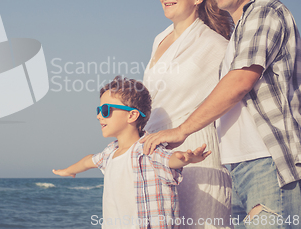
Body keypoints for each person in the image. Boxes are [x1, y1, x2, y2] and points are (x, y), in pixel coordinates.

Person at [142, 0, 301, 229]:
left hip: (267, 160)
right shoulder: (239, 31)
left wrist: (181, 130)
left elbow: (239, 82)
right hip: (243, 164)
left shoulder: (264, 11)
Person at [143, 0, 234, 228]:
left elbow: (233, 94)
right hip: (156, 154)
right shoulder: (159, 39)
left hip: (198, 155)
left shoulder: (216, 45)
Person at [53, 76, 211, 229]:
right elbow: (89, 161)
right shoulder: (109, 153)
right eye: (99, 109)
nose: (99, 115)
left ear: (132, 115)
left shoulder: (146, 148)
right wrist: (69, 170)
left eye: (106, 110)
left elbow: (168, 160)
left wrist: (186, 159)